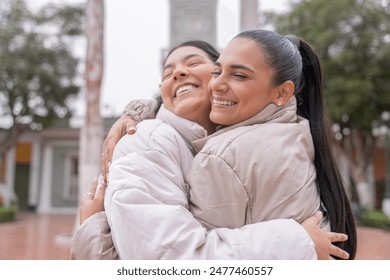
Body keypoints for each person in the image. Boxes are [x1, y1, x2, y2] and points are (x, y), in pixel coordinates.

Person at [71, 40, 350, 260]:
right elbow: (167, 261)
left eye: (197, 64)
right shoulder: (148, 140)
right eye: (168, 73)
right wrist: (298, 242)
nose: (178, 72)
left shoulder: (242, 145)